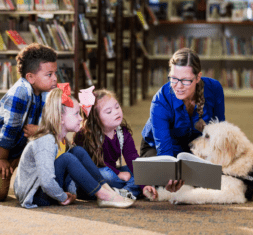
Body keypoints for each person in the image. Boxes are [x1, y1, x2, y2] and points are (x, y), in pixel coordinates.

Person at [14, 84, 134, 209]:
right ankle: (103, 195)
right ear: (60, 118)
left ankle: (106, 190)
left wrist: (72, 193)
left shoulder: (63, 141)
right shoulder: (46, 140)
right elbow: (46, 182)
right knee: (67, 158)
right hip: (36, 196)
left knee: (78, 151)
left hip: (50, 190)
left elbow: (70, 173)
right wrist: (62, 197)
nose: (80, 118)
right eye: (76, 114)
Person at [140, 48, 225, 199]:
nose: (178, 86)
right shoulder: (160, 100)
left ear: (198, 77)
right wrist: (168, 174)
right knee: (161, 178)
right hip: (159, 148)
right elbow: (164, 151)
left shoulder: (214, 88)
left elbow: (219, 131)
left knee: (225, 173)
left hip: (195, 148)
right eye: (173, 78)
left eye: (185, 80)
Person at [0, 43, 58, 201]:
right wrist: (2, 159)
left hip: (18, 148)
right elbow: (9, 129)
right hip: (3, 148)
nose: (55, 78)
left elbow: (55, 125)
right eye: (49, 74)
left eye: (55, 73)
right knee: (0, 195)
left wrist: (40, 131)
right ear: (30, 77)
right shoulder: (20, 92)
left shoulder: (47, 92)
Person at [74, 87, 141, 200]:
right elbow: (95, 162)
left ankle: (122, 193)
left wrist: (144, 183)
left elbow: (132, 157)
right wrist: (118, 174)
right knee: (106, 174)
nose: (116, 112)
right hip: (95, 173)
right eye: (109, 111)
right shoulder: (85, 135)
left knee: (140, 171)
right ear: (95, 119)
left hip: (113, 172)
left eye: (117, 106)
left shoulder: (122, 132)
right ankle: (123, 190)